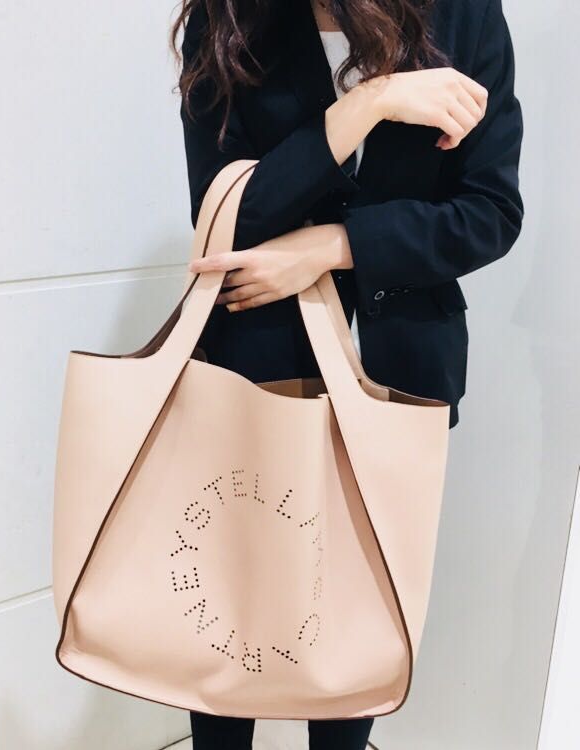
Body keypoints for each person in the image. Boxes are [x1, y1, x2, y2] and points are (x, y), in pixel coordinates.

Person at [171, 0, 523, 747]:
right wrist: (369, 103)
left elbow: (491, 211)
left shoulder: (462, 14)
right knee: (231, 617)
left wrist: (336, 245)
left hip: (400, 372)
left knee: (356, 628)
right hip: (255, 370)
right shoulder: (228, 17)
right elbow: (225, 213)